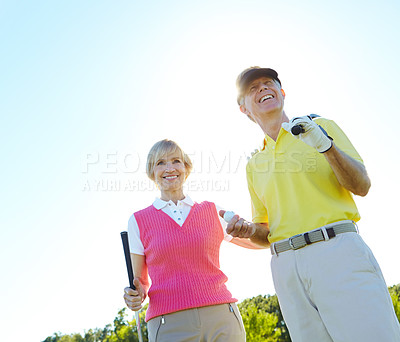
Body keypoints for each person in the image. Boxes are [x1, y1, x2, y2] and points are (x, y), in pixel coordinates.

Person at [222, 67, 400, 341]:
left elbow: (361, 185)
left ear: (282, 92)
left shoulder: (320, 128)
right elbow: (266, 232)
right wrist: (247, 230)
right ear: (243, 108)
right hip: (286, 268)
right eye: (253, 88)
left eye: (269, 83)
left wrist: (324, 145)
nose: (263, 89)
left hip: (336, 252)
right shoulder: (254, 164)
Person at [123, 139, 261, 342]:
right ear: (151, 172)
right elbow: (140, 283)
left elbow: (258, 241)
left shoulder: (211, 211)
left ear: (186, 168)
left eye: (176, 160)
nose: (169, 168)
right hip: (168, 323)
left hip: (221, 315)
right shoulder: (138, 220)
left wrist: (251, 229)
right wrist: (134, 296)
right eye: (160, 163)